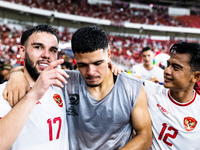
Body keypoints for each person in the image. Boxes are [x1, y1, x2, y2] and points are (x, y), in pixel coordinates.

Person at [4, 25, 152, 150]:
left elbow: (145, 136)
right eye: (82, 65)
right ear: (75, 59)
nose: (91, 72)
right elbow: (35, 72)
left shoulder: (132, 87)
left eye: (97, 63)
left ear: (108, 54)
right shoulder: (65, 80)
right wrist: (16, 74)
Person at [0, 24, 69, 150]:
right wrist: (33, 94)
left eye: (53, 50)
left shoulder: (64, 85)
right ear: (22, 51)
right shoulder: (4, 93)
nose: (46, 55)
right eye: (38, 47)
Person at [143, 41, 200, 149]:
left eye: (176, 67)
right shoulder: (149, 91)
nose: (166, 71)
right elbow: (119, 79)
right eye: (168, 64)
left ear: (196, 77)